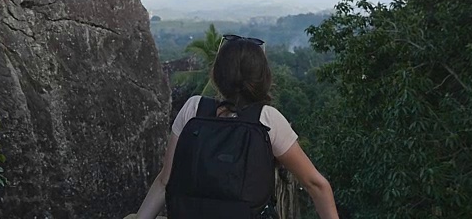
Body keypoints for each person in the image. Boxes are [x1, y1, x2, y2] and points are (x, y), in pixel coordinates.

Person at [135, 34, 339, 219]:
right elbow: (315, 184)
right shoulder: (267, 119)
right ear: (263, 78)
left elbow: (165, 181)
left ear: (217, 74)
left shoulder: (193, 108)